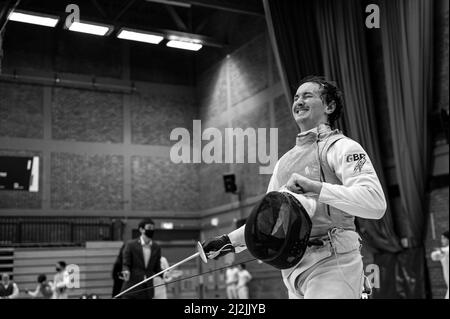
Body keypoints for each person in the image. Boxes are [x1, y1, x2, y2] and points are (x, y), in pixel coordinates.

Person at [202, 76, 387, 299]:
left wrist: (317, 188)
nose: (299, 101)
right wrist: (228, 242)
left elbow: (375, 203)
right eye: (296, 97)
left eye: (308, 96)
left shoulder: (342, 147)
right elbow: (267, 219)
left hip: (333, 262)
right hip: (293, 270)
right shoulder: (284, 162)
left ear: (329, 106)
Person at [120, 218, 163, 299]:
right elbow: (126, 264)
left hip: (147, 291)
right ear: (141, 229)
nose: (152, 230)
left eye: (153, 228)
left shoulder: (156, 247)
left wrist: (165, 274)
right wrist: (126, 271)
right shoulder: (131, 245)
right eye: (149, 228)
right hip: (131, 289)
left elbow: (157, 268)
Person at [431, 230, 449, 299]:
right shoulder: (443, 252)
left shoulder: (446, 251)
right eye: (441, 238)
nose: (442, 240)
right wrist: (440, 252)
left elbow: (446, 250)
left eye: (444, 238)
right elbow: (433, 256)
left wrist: (442, 250)